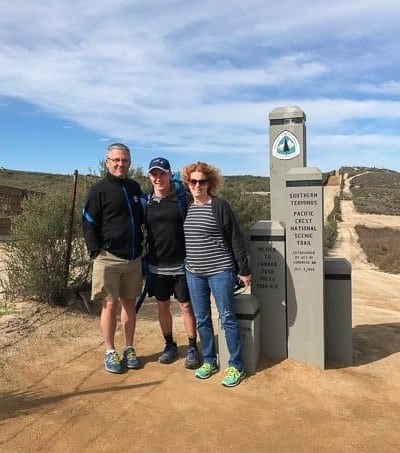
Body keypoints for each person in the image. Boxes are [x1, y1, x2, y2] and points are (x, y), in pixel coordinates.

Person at [181, 161, 251, 387]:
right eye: (193, 181)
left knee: (227, 318)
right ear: (188, 183)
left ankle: (236, 366)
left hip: (220, 271)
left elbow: (235, 237)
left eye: (202, 181)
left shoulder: (219, 206)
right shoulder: (186, 206)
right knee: (202, 319)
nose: (198, 185)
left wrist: (244, 270)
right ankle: (210, 360)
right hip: (194, 272)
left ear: (209, 183)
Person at [82, 143, 144, 374]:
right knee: (109, 304)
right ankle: (110, 351)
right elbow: (88, 221)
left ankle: (129, 348)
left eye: (125, 160)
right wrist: (95, 251)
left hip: (134, 257)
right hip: (108, 257)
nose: (120, 164)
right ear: (107, 161)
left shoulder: (135, 187)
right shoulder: (98, 190)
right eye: (116, 160)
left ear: (129, 162)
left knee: (130, 303)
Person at [142, 157, 200, 369]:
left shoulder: (182, 199)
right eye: (154, 174)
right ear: (149, 176)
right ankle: (170, 345)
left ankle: (192, 346)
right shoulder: (145, 201)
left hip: (182, 264)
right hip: (156, 266)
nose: (158, 178)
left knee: (185, 306)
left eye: (162, 173)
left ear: (169, 174)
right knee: (162, 306)